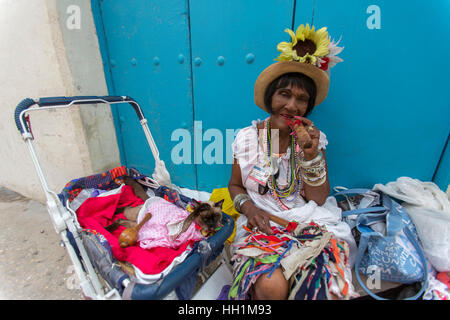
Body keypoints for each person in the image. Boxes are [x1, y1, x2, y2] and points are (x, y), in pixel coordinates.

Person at [227, 24, 356, 300]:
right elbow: (235, 186)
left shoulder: (312, 140)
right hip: (261, 223)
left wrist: (311, 156)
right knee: (271, 288)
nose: (292, 106)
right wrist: (249, 209)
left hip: (306, 222)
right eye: (284, 94)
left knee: (320, 284)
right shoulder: (247, 138)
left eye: (301, 100)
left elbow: (319, 199)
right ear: (270, 97)